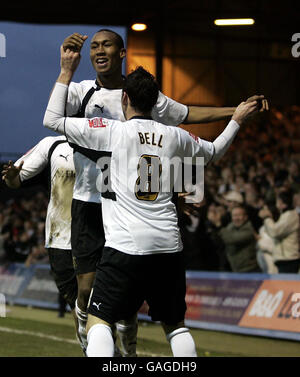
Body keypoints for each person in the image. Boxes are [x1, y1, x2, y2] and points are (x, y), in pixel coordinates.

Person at [43, 43, 260, 356]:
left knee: (99, 320)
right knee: (175, 325)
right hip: (169, 246)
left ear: (125, 98)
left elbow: (52, 120)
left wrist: (65, 73)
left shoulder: (111, 131)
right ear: (156, 102)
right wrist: (237, 118)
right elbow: (214, 151)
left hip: (126, 248)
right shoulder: (176, 136)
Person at [1, 136, 86, 353]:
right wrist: (11, 178)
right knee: (79, 306)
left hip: (100, 237)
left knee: (99, 307)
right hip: (61, 239)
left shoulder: (108, 134)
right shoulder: (52, 144)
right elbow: (15, 179)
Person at [259, 191, 300, 273]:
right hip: (283, 258)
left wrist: (267, 217)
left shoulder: (291, 215)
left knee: (288, 285)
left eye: (278, 201)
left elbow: (275, 232)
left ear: (282, 203)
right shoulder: (284, 215)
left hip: (289, 258)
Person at [219, 205, 261, 272]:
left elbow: (231, 239)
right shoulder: (230, 228)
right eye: (234, 215)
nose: (236, 218)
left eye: (239, 215)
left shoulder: (249, 230)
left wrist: (218, 226)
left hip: (250, 270)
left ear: (245, 217)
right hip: (235, 270)